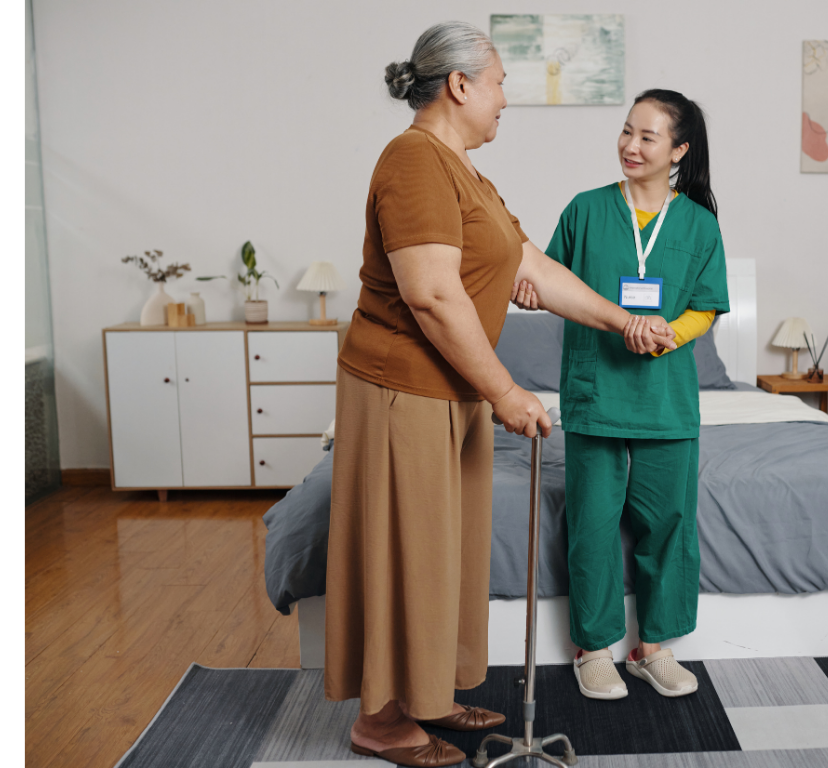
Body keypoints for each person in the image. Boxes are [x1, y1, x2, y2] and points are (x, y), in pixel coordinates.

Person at [325, 23, 676, 767]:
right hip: (401, 388)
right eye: (500, 83)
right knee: (406, 552)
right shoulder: (414, 161)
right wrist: (509, 390)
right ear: (459, 86)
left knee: (444, 553)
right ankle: (382, 722)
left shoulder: (466, 173)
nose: (505, 99)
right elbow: (431, 296)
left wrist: (623, 323)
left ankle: (429, 695)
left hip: (453, 392)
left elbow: (534, 269)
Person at [513, 89, 729, 701]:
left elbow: (707, 306)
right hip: (595, 393)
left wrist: (667, 336)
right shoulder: (585, 211)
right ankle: (594, 649)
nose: (631, 146)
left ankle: (651, 648)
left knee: (668, 524)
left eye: (648, 137)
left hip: (665, 399)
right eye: (626, 132)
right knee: (592, 524)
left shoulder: (697, 223)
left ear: (678, 151)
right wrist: (531, 292)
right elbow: (548, 280)